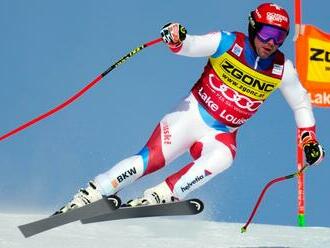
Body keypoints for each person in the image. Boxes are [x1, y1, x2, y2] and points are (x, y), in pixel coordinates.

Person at [56, 3, 325, 214]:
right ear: (254, 28)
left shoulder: (281, 69)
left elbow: (301, 104)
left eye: (279, 38)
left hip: (222, 132)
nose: (271, 43)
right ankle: (91, 194)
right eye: (267, 34)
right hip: (192, 116)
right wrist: (176, 37)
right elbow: (190, 44)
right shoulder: (228, 43)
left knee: (224, 158)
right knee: (151, 161)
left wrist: (309, 140)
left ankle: (161, 195)